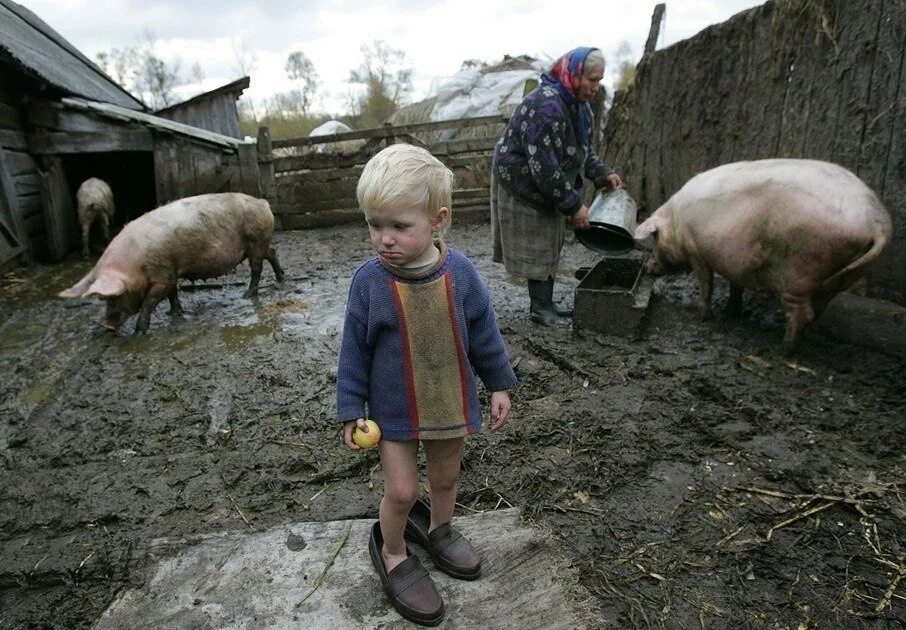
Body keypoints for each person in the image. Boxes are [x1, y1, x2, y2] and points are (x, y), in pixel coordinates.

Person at [337, 143, 516, 626]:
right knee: (400, 491)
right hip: (392, 411)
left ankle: (439, 527)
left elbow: (484, 334)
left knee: (444, 478)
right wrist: (352, 407)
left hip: (448, 401)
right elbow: (353, 350)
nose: (384, 239)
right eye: (375, 225)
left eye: (399, 226)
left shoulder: (460, 274)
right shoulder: (369, 282)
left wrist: (499, 383)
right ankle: (393, 551)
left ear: (438, 220)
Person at [491, 47, 624, 326]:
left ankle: (545, 303)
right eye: (592, 79)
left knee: (552, 237)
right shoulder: (546, 107)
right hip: (522, 180)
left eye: (600, 80)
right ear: (575, 75)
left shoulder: (579, 108)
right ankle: (540, 307)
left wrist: (603, 174)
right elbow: (545, 168)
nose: (596, 87)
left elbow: (581, 153)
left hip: (545, 177)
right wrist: (574, 205)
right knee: (538, 238)